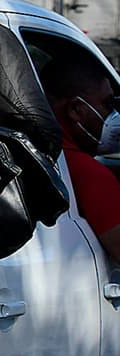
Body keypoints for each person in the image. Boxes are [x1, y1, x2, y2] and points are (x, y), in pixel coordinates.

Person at [42, 52, 120, 260]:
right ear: (76, 109)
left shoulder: (44, 154)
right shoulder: (88, 174)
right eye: (108, 103)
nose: (114, 115)